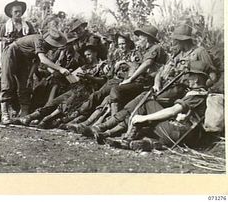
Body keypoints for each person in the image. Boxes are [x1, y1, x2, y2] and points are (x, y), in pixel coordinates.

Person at [84, 23, 217, 143]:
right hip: (166, 88)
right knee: (141, 99)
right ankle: (108, 128)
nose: (175, 42)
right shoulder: (178, 54)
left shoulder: (200, 52)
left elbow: (212, 77)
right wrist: (157, 83)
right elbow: (161, 71)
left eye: (177, 39)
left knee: (142, 99)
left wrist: (196, 87)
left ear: (184, 39)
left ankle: (107, 127)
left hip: (181, 93)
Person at [79, 25, 168, 138]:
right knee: (109, 96)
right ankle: (99, 125)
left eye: (141, 38)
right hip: (142, 81)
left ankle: (106, 126)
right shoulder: (145, 50)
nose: (139, 40)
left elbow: (148, 65)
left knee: (116, 90)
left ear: (147, 38)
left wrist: (130, 79)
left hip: (144, 84)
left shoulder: (155, 48)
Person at [109, 61, 211, 151]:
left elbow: (172, 111)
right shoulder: (199, 93)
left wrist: (143, 118)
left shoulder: (196, 95)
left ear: (196, 79)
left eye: (190, 75)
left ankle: (128, 138)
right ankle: (146, 143)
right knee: (147, 124)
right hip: (182, 134)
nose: (187, 78)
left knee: (148, 102)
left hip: (179, 133)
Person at [14, 37, 108, 128]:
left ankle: (46, 120)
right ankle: (30, 117)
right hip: (76, 88)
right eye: (86, 55)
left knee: (67, 103)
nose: (87, 57)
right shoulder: (84, 67)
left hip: (88, 92)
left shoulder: (102, 65)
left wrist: (89, 77)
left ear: (95, 53)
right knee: (55, 101)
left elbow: (104, 81)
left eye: (89, 55)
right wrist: (71, 75)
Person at [62, 32, 141, 129]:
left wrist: (125, 63)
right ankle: (78, 119)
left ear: (129, 43)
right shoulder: (117, 55)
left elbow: (136, 68)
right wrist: (109, 69)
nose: (121, 46)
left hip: (124, 82)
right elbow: (111, 71)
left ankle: (85, 122)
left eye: (123, 44)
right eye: (120, 44)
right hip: (113, 80)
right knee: (98, 96)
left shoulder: (134, 54)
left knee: (102, 98)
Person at [0, 25, 70, 125]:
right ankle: (4, 113)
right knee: (7, 82)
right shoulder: (39, 40)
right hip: (12, 53)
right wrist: (60, 69)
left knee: (25, 85)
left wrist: (29, 76)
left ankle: (24, 114)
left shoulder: (45, 46)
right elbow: (43, 60)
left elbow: (36, 62)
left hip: (24, 59)